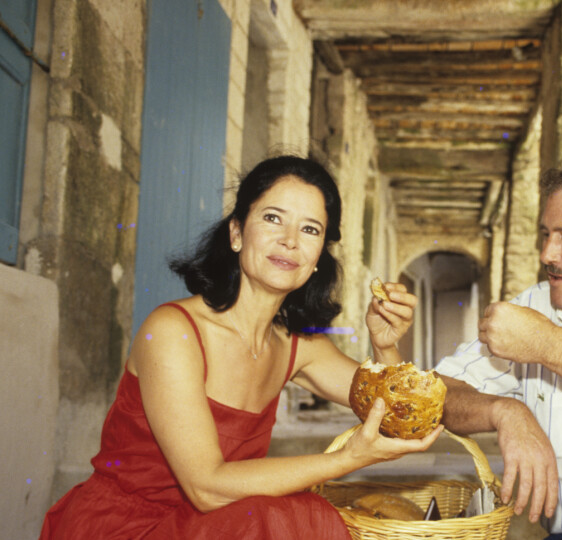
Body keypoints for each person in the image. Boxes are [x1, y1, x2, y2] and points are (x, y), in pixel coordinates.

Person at [40, 154, 443, 539]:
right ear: (236, 233)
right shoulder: (172, 331)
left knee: (294, 516)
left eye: (310, 229)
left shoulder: (296, 346)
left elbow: (391, 414)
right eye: (273, 218)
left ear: (318, 256)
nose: (289, 241)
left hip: (220, 524)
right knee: (283, 517)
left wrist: (385, 343)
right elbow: (207, 487)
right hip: (127, 527)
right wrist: (346, 459)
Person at [437, 152, 562, 539]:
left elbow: (543, 343)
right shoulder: (533, 307)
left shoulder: (537, 329)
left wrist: (547, 345)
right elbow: (438, 392)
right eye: (545, 236)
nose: (547, 255)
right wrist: (505, 410)